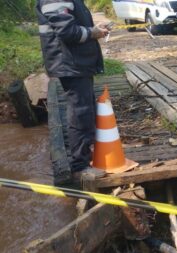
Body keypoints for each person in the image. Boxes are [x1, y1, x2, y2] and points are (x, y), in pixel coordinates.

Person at [36, 0, 111, 185]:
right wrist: (94, 32)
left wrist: (93, 28)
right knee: (80, 112)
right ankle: (80, 167)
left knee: (84, 109)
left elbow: (70, 25)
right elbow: (67, 31)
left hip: (75, 62)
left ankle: (84, 157)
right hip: (70, 63)